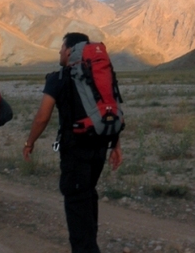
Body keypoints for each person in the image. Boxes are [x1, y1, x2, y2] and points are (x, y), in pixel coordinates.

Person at [23, 32, 123, 253]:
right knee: (87, 195)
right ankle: (90, 245)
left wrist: (30, 142)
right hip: (99, 147)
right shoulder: (102, 75)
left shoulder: (58, 78)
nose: (59, 51)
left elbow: (42, 116)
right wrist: (116, 145)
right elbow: (111, 110)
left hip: (75, 150)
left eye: (61, 47)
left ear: (69, 50)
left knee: (76, 202)